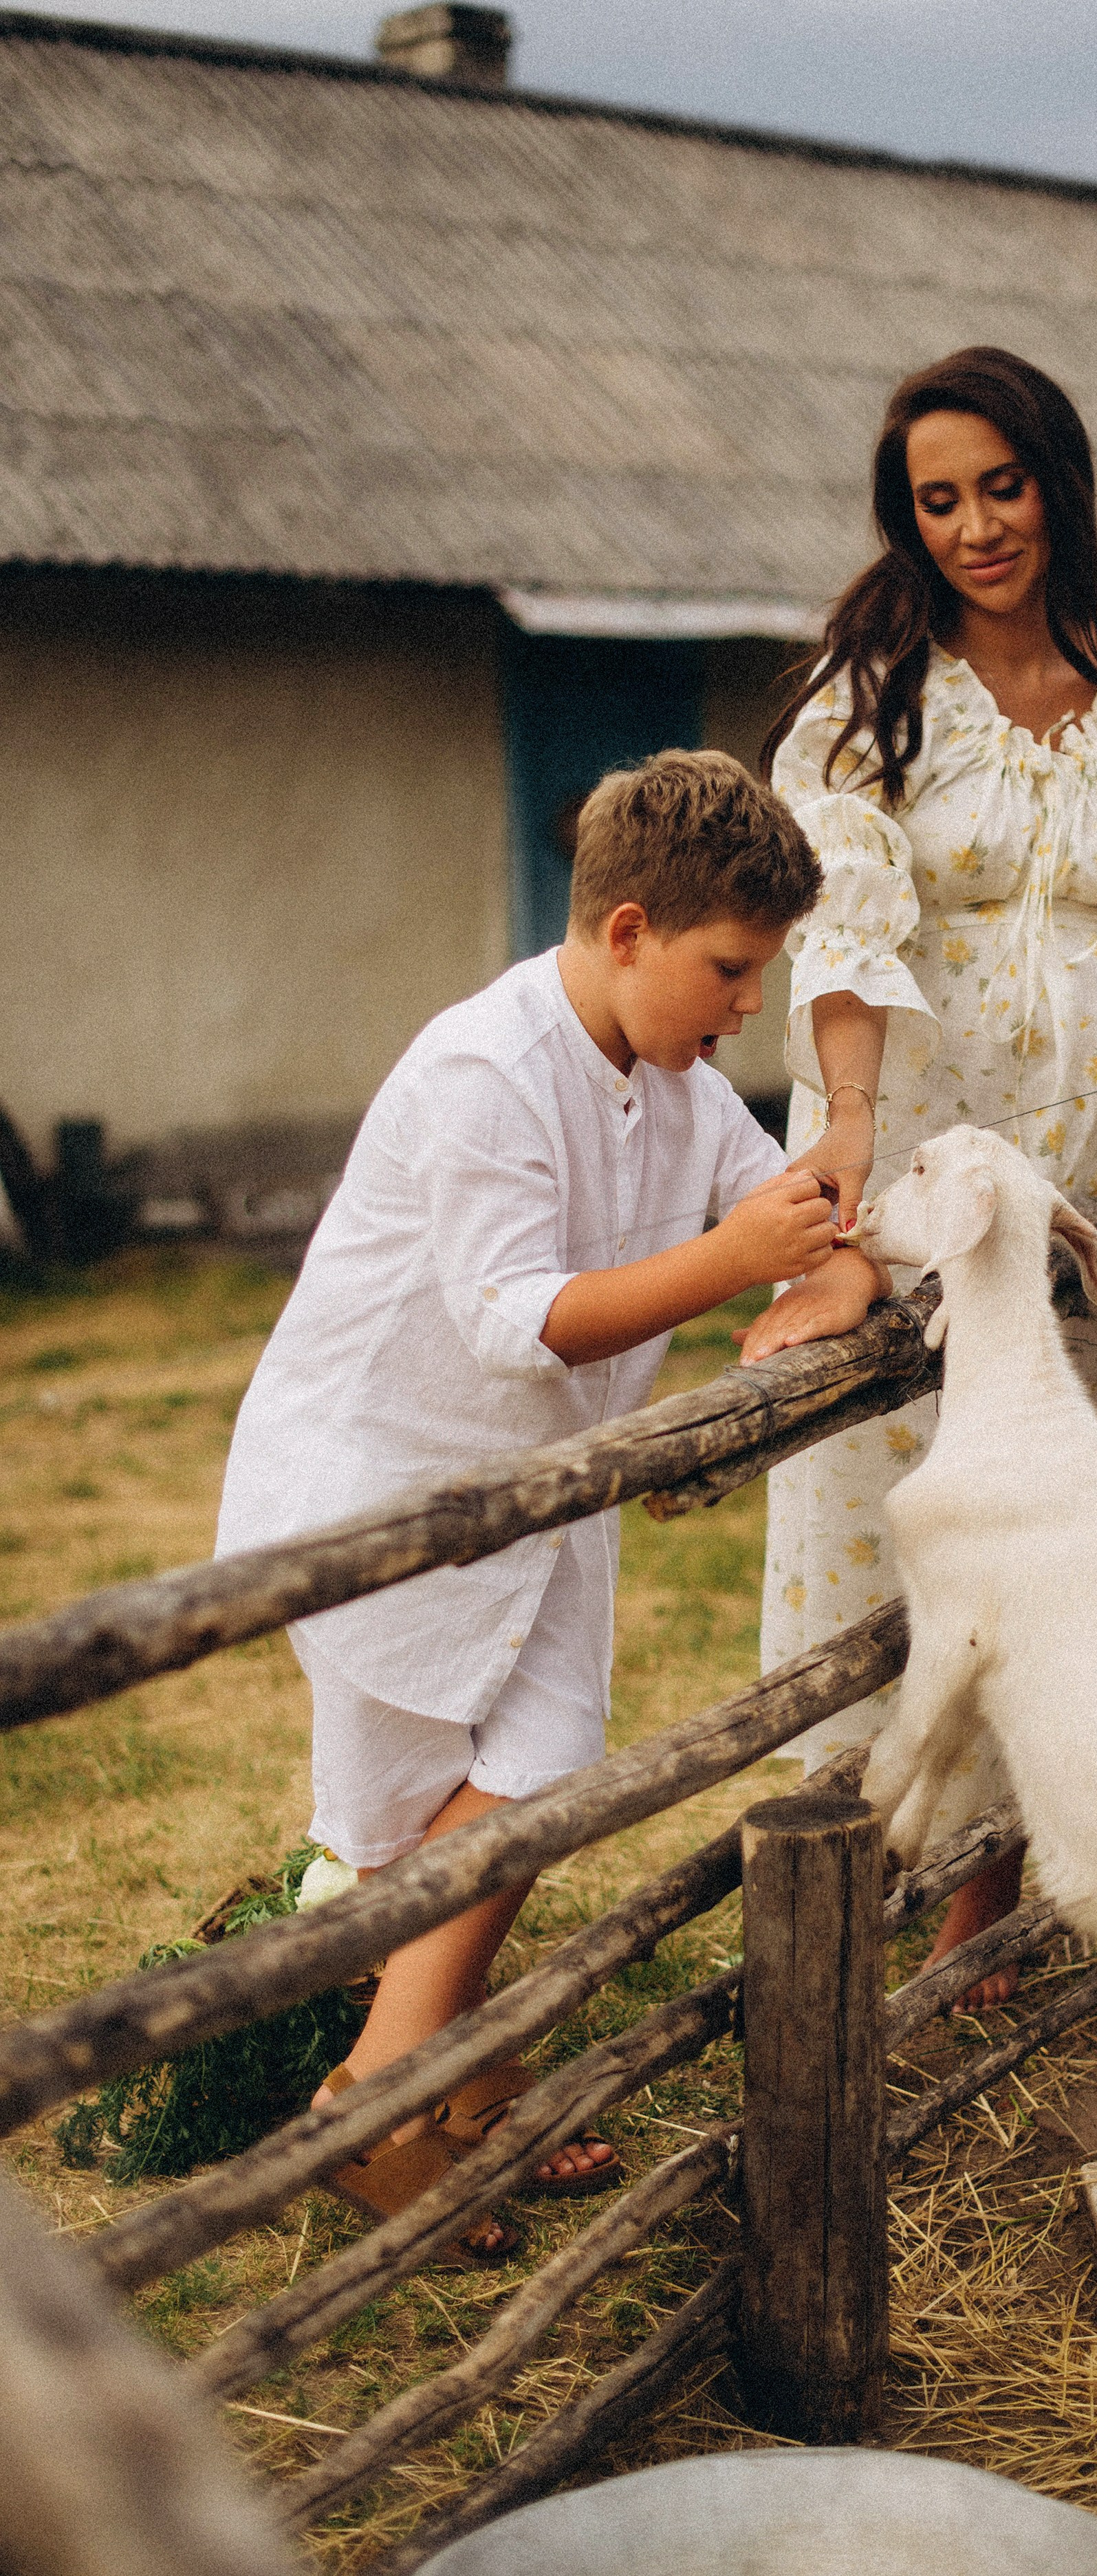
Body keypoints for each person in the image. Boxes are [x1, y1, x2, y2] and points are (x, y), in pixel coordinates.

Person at [217, 750, 889, 2258]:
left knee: (539, 1767)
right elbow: (520, 1320)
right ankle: (386, 2109)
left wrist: (827, 1266)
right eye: (728, 971)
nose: (744, 1009)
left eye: (760, 976)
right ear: (630, 930)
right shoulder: (484, 1072)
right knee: (413, 1821)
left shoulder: (680, 1083)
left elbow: (808, 1219)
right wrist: (734, 1263)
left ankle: (430, 2073)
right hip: (380, 1487)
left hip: (539, 1490)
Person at [741, 348, 1097, 2006]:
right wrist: (841, 1133)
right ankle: (863, 1886)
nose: (973, 527)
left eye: (1000, 486)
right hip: (931, 1166)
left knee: (1083, 1528)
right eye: (935, 500)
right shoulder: (871, 696)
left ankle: (1008, 1903)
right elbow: (837, 922)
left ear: (1059, 481)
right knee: (916, 1518)